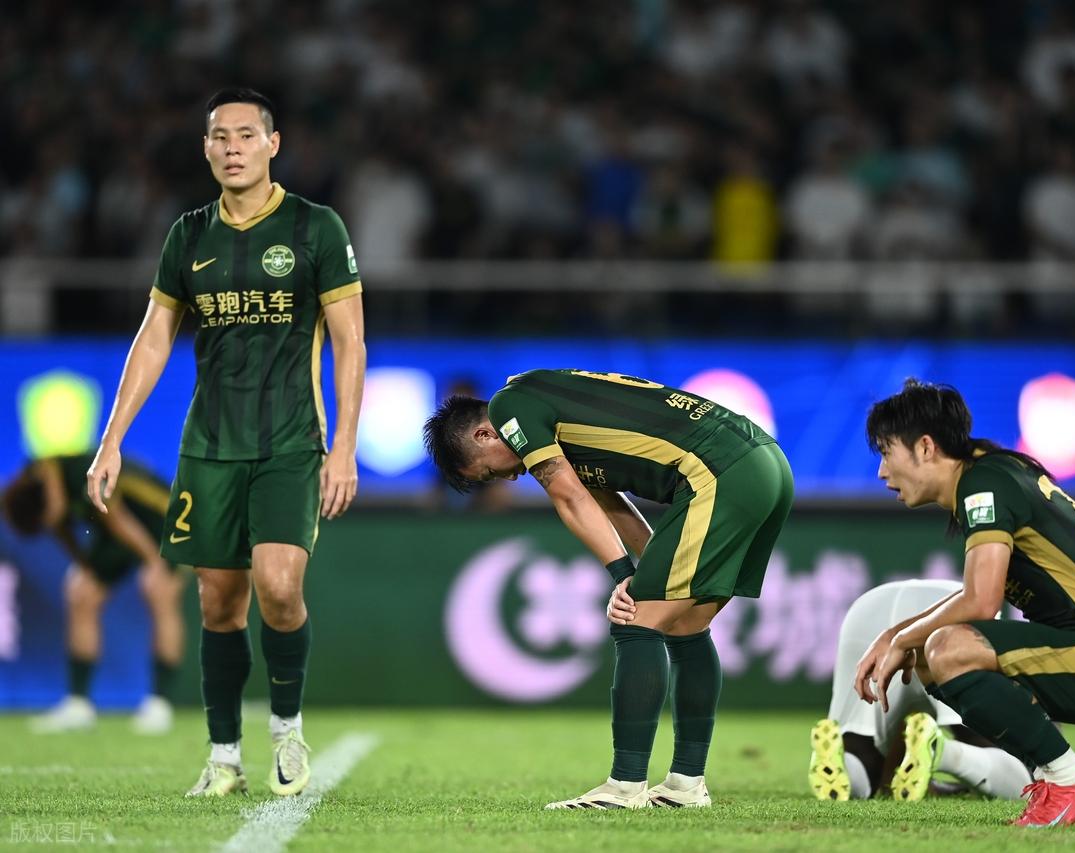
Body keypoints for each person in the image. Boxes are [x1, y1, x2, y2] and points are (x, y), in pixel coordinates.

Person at [85, 88, 366, 798]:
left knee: (280, 587)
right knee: (217, 604)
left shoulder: (315, 227)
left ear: (274, 143)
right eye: (219, 136)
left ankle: (287, 729)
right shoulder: (188, 235)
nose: (232, 147)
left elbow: (349, 342)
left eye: (246, 134)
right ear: (206, 148)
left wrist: (344, 447)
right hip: (210, 445)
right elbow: (154, 338)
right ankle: (223, 756)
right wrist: (111, 439)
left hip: (290, 442)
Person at [425, 369, 793, 809]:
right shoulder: (555, 416)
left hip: (720, 472)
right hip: (764, 463)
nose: (506, 479)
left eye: (489, 471)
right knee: (685, 626)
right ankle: (685, 785)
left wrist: (624, 578)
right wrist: (646, 570)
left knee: (634, 621)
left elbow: (568, 498)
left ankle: (625, 786)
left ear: (485, 434)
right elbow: (608, 502)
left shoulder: (510, 407)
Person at [854, 379, 1075, 827]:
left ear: (925, 447)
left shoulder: (984, 486)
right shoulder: (988, 473)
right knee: (930, 652)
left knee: (944, 648)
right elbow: (979, 601)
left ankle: (1069, 779)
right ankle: (1052, 777)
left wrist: (899, 638)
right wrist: (899, 636)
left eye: (886, 452)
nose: (882, 472)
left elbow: (981, 603)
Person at [3, 454, 185, 735]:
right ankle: (78, 706)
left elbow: (116, 516)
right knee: (81, 593)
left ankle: (160, 705)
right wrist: (83, 565)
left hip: (165, 520)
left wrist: (154, 561)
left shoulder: (76, 473)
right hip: (117, 530)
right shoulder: (45, 496)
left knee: (158, 591)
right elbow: (61, 529)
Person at [810, 579, 1031, 802]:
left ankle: (843, 761)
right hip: (951, 609)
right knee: (1020, 774)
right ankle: (938, 752)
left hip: (869, 609)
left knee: (862, 751)